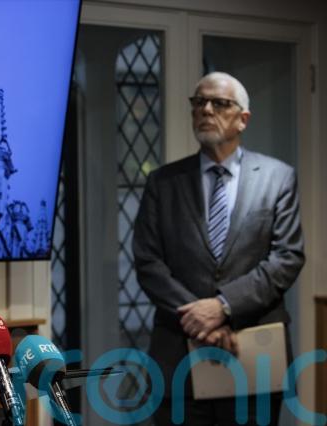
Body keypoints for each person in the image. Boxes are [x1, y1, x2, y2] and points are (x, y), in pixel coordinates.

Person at [133, 72, 304, 425]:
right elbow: (148, 262)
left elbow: (287, 257)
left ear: (243, 119)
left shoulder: (278, 177)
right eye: (199, 102)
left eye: (220, 103)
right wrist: (200, 320)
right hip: (178, 359)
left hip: (251, 354)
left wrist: (224, 306)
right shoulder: (163, 182)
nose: (206, 110)